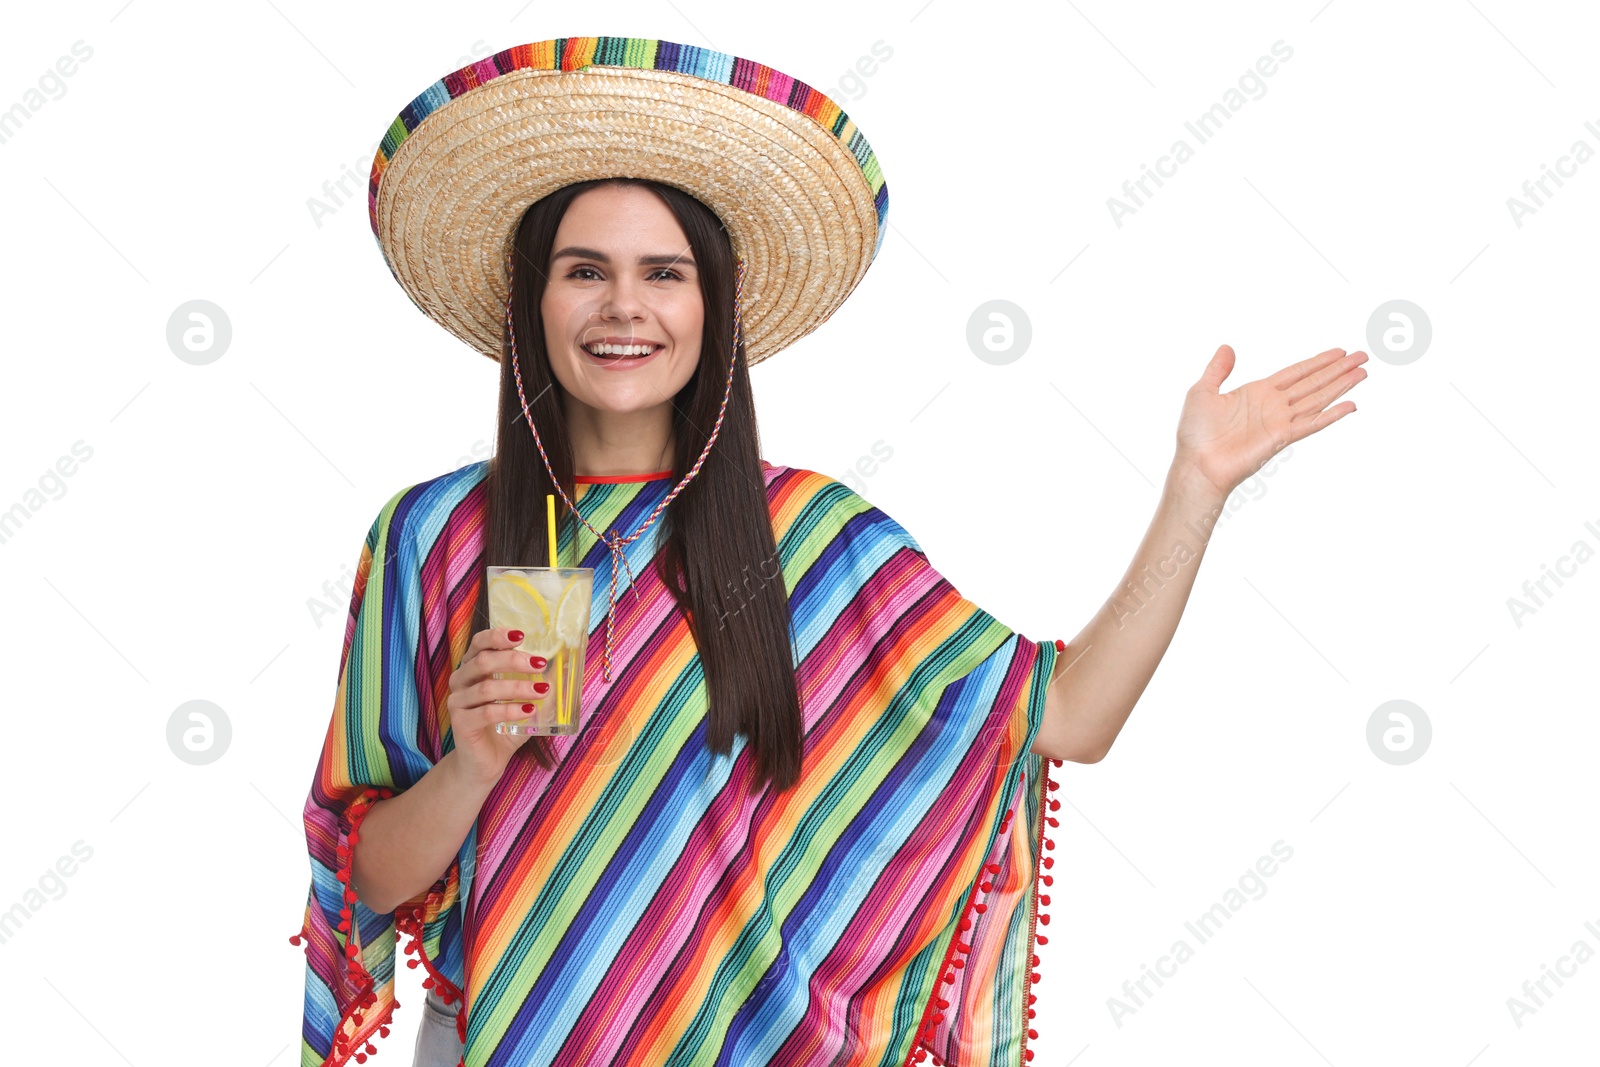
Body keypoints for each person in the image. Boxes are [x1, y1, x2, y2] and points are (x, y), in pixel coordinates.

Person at [288, 36, 1365, 1067]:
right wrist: (476, 761)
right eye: (585, 270)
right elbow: (368, 874)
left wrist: (1194, 489)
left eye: (664, 272)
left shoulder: (811, 539)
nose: (624, 306)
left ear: (714, 305)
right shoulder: (432, 536)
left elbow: (1067, 715)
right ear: (534, 298)